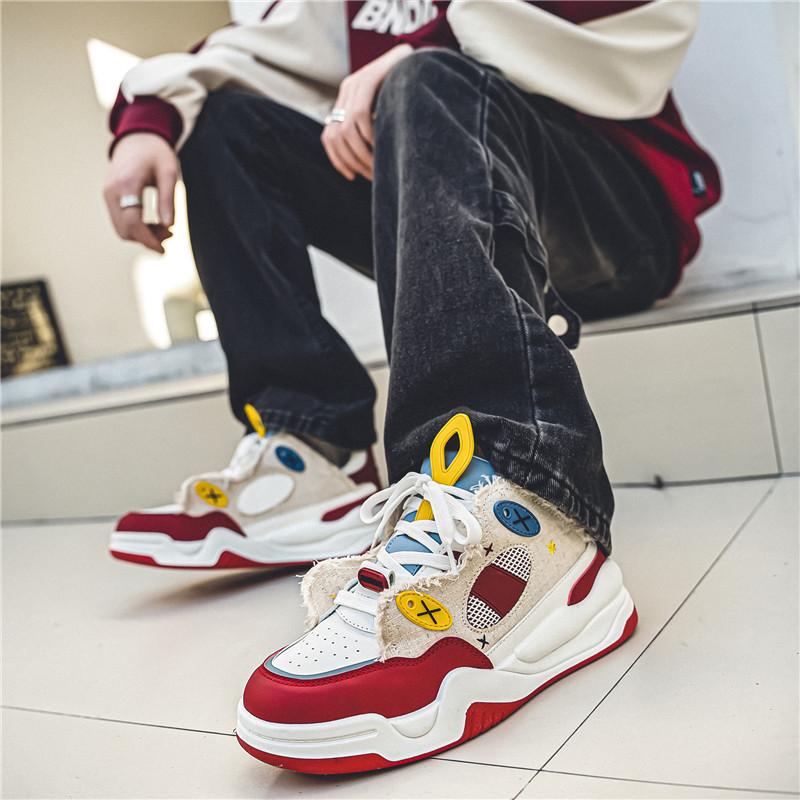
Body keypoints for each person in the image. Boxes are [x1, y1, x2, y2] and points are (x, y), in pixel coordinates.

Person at [103, 0, 720, 773]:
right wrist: (149, 122)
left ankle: (523, 508)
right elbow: (245, 51)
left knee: (427, 79)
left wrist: (430, 48)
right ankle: (317, 444)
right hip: (465, 196)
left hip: (610, 217)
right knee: (226, 125)